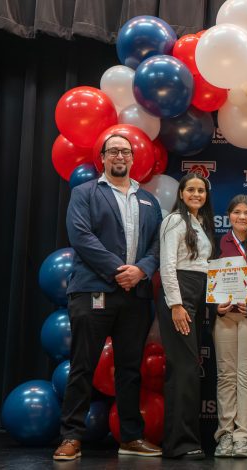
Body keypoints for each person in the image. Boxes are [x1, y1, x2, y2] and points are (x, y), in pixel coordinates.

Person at [55, 134, 163, 461]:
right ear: (102, 157)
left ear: (133, 159)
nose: (120, 155)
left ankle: (130, 437)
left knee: (130, 369)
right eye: (113, 150)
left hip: (136, 297)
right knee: (83, 365)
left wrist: (141, 271)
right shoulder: (84, 193)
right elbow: (81, 236)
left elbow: (159, 244)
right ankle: (71, 437)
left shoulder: (149, 200)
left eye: (125, 151)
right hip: (93, 291)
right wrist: (120, 270)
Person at [157, 173, 215, 459]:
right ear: (180, 194)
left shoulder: (201, 223)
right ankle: (179, 443)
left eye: (201, 190)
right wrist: (176, 305)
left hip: (195, 296)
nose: (196, 194)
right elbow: (167, 266)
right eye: (190, 189)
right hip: (179, 297)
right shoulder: (175, 221)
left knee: (188, 369)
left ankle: (185, 440)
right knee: (184, 370)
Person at [212, 195, 247, 458]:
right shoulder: (218, 241)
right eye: (237, 212)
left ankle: (244, 436)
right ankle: (225, 435)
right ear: (229, 215)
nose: (242, 217)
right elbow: (207, 281)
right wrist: (214, 307)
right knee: (226, 376)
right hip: (225, 317)